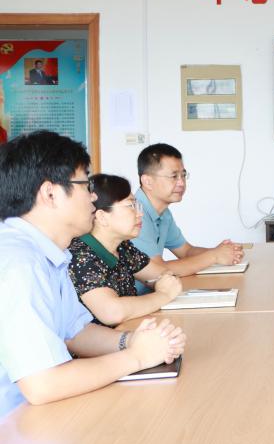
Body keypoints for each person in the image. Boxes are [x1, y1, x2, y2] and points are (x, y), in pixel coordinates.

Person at [0, 130, 186, 417]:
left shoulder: (50, 254)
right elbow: (42, 385)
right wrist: (136, 357)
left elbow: (75, 332)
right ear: (50, 194)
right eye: (85, 185)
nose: (93, 197)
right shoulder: (19, 262)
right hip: (14, 424)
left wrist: (131, 341)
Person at [68, 174, 184, 326]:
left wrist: (166, 285)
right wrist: (163, 295)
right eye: (131, 206)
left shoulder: (123, 247)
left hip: (129, 331)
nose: (140, 213)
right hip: (106, 340)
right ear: (101, 217)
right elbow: (112, 313)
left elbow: (166, 276)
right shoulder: (80, 255)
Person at [132, 143, 245, 293]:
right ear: (147, 181)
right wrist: (214, 256)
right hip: (135, 301)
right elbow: (158, 271)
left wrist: (223, 252)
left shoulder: (163, 213)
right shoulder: (134, 214)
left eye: (183, 175)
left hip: (153, 296)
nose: (181, 183)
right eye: (174, 176)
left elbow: (186, 251)